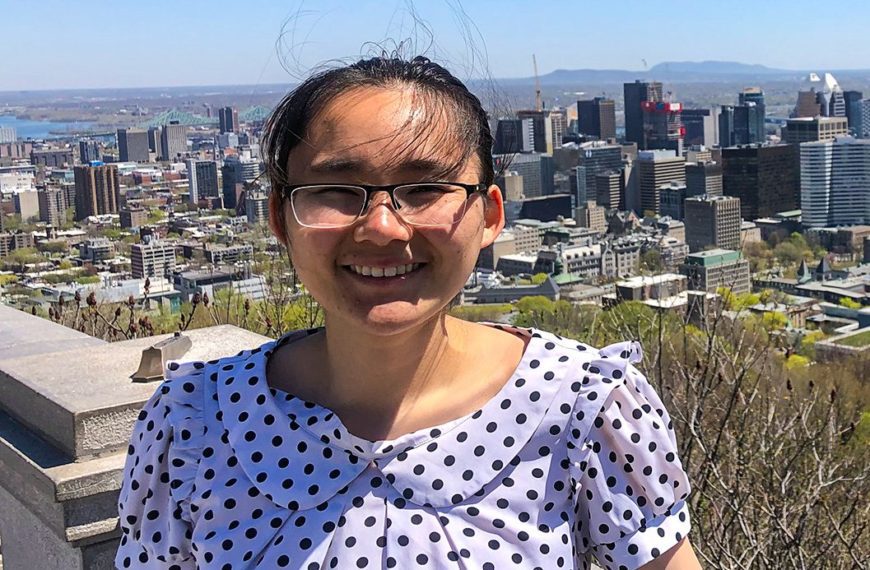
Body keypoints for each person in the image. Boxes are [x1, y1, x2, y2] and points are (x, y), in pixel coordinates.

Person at [116, 56, 701, 570]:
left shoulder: (584, 405)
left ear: (490, 216)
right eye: (336, 192)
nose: (381, 227)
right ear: (280, 221)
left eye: (423, 190)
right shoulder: (193, 423)